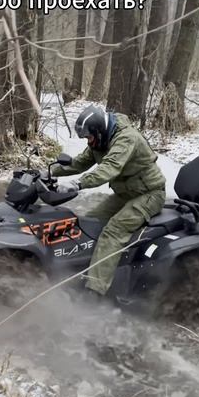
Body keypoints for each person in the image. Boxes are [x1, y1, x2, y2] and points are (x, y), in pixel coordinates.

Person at [51, 104, 166, 297]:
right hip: (125, 195)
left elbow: (109, 168)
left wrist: (77, 184)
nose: (88, 142)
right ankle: (80, 273)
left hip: (149, 194)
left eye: (89, 137)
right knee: (88, 224)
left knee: (113, 231)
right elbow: (80, 162)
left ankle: (94, 290)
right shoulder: (100, 141)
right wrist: (48, 172)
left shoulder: (126, 139)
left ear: (99, 131)